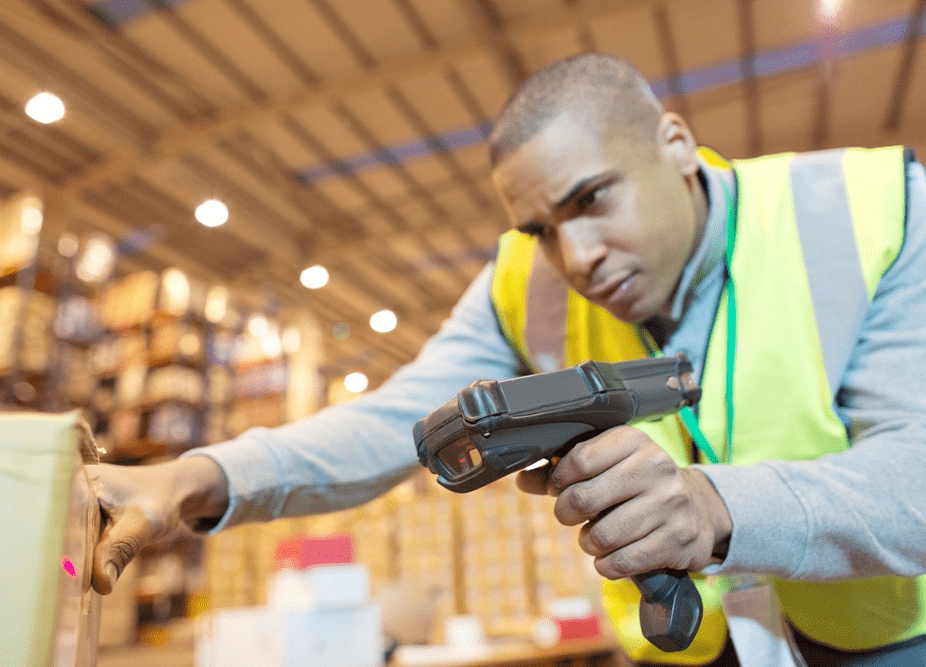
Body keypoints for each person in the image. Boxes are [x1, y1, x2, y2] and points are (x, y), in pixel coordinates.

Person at [89, 53, 926, 666]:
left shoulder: (870, 210)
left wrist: (718, 507)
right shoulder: (523, 284)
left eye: (592, 199)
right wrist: (194, 478)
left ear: (675, 142)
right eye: (540, 230)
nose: (576, 258)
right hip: (686, 649)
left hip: (872, 640)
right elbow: (394, 421)